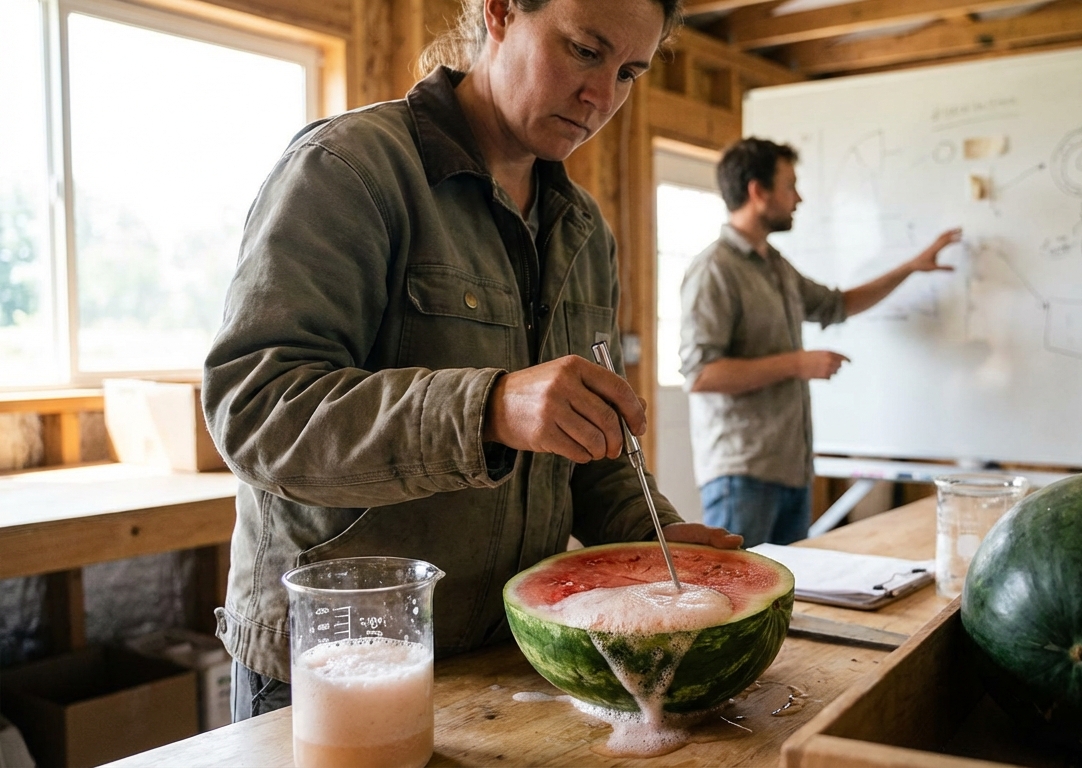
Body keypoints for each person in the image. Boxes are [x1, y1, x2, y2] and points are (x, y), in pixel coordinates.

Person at [202, 0, 739, 722]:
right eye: (584, 50)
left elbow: (586, 444)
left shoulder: (585, 233)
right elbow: (256, 410)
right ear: (501, 12)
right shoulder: (349, 169)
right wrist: (487, 408)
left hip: (514, 658)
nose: (602, 97)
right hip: (340, 665)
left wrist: (656, 538)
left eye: (629, 72)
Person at [680, 137, 961, 548]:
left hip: (791, 468)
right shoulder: (713, 270)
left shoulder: (775, 265)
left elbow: (837, 304)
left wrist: (912, 267)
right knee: (741, 600)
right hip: (743, 473)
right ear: (758, 192)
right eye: (789, 185)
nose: (799, 198)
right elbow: (701, 374)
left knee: (790, 600)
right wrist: (797, 363)